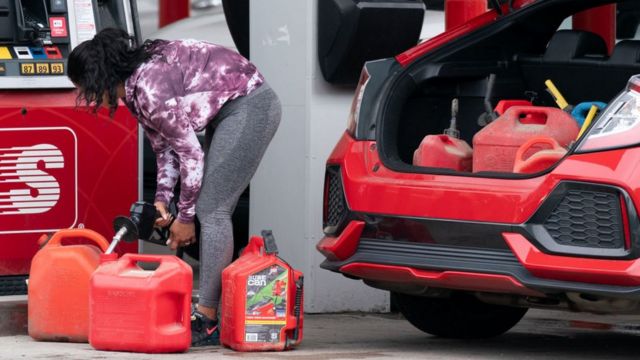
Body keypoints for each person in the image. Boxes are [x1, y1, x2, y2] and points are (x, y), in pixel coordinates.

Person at [67, 28, 281, 346]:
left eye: (88, 89)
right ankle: (214, 306)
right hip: (227, 112)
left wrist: (183, 217)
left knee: (211, 210)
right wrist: (163, 201)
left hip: (250, 106)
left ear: (99, 78)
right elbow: (165, 149)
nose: (91, 98)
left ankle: (206, 319)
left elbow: (191, 154)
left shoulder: (150, 88)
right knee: (207, 207)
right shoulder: (135, 89)